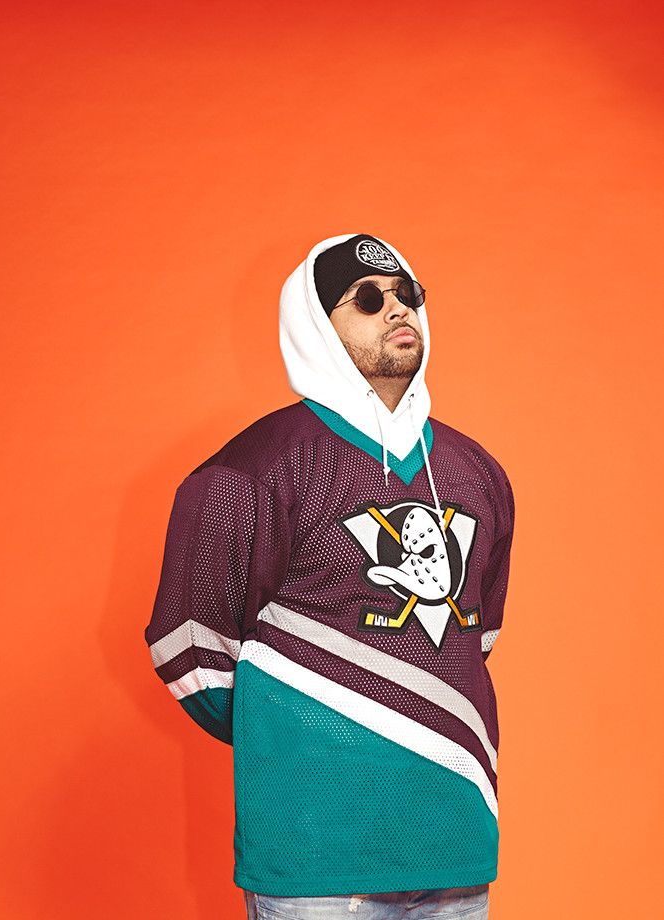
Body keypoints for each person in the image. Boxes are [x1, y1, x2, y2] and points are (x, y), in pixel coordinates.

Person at [144, 233, 515, 920]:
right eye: (368, 299)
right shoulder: (253, 469)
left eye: (407, 295)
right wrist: (296, 736)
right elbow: (189, 647)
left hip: (455, 840)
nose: (397, 310)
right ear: (317, 325)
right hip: (315, 853)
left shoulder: (478, 473)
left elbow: (475, 638)